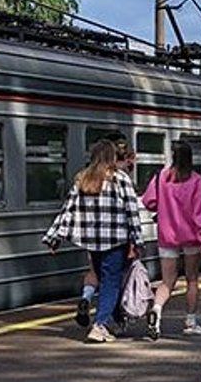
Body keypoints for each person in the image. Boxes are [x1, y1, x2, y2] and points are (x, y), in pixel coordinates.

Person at [43, 140, 143, 343]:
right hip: (115, 241)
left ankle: (114, 319)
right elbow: (132, 212)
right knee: (111, 283)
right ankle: (100, 325)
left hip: (92, 243)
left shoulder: (83, 179)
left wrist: (54, 236)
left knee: (105, 281)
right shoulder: (120, 179)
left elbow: (68, 210)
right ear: (112, 157)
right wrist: (138, 240)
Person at [141, 141, 201, 337]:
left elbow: (148, 201)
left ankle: (156, 310)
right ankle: (190, 322)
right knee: (191, 279)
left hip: (167, 236)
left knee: (167, 282)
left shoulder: (161, 177)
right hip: (191, 239)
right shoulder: (197, 181)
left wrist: (164, 207)